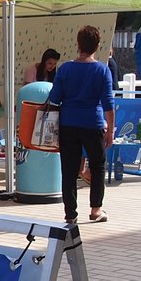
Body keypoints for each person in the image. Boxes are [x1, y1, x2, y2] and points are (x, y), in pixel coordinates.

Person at [41, 26, 114, 224]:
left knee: (69, 169)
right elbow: (108, 103)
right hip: (93, 122)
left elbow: (55, 97)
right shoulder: (102, 70)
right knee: (98, 165)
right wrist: (111, 130)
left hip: (69, 123)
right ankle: (96, 209)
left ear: (78, 45)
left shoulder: (65, 68)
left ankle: (70, 214)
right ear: (97, 46)